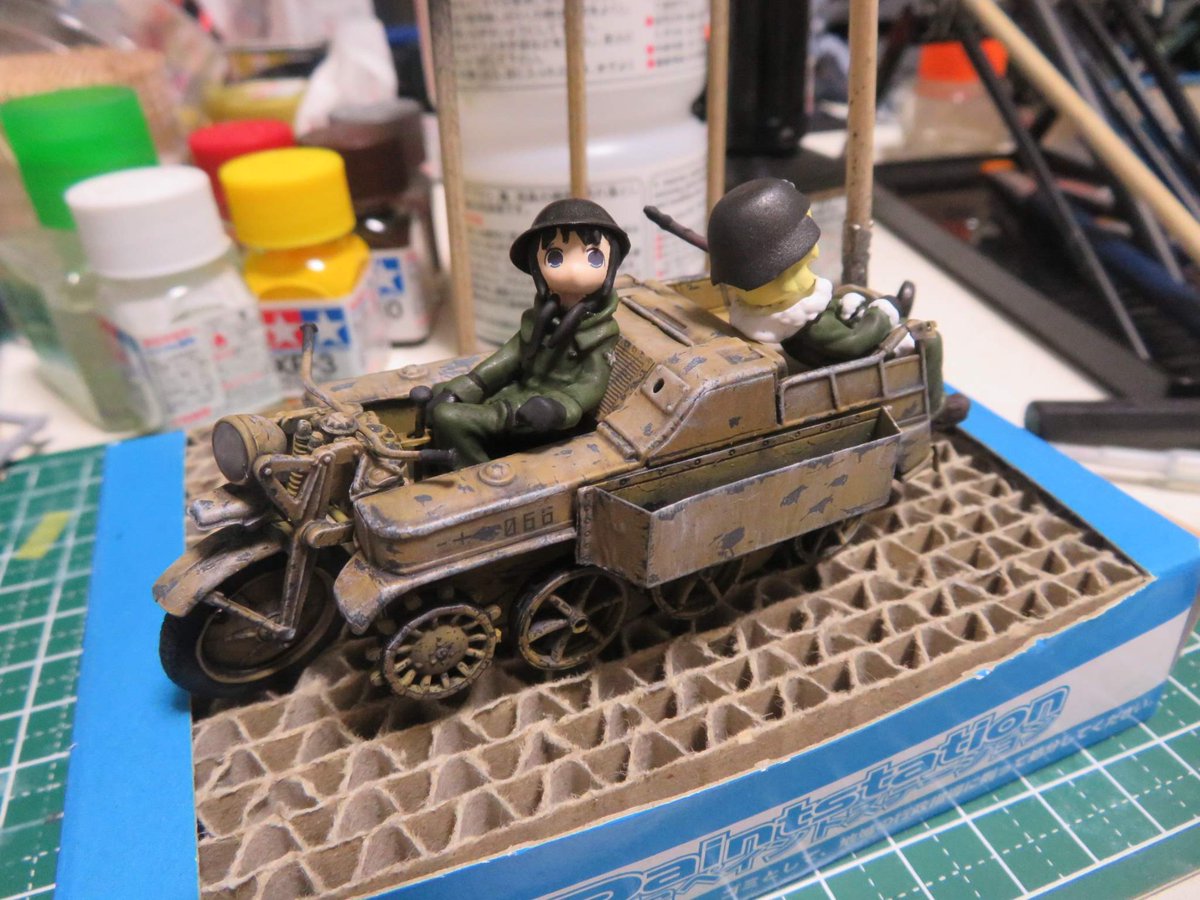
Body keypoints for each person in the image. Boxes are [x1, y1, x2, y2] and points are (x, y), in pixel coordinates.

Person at [707, 177, 967, 424]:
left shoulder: (790, 307)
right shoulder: (813, 326)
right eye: (804, 258)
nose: (814, 254)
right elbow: (854, 343)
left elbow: (828, 308)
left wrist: (847, 302)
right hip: (858, 357)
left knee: (874, 304)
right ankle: (934, 407)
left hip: (840, 333)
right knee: (930, 341)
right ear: (781, 269)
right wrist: (882, 312)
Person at [427, 198, 629, 468]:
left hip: (542, 415)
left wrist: (557, 408)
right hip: (518, 394)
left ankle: (477, 473)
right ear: (537, 265)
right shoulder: (539, 320)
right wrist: (464, 388)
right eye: (555, 257)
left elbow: (592, 383)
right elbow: (507, 358)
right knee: (439, 395)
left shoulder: (600, 331)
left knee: (448, 417)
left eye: (594, 257)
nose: (573, 270)